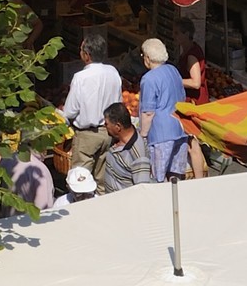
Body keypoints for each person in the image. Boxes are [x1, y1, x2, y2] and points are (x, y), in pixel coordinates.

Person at [61, 31, 123, 180]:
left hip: (87, 136)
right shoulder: (113, 72)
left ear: (87, 55)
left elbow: (70, 111)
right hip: (108, 133)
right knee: (103, 181)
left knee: (80, 181)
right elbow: (119, 102)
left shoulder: (81, 77)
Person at [138, 38, 188, 182]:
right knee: (176, 175)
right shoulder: (173, 70)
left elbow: (148, 112)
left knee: (158, 177)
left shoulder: (149, 79)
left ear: (148, 58)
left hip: (161, 134)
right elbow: (182, 96)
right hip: (179, 128)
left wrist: (143, 135)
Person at [170, 20, 211, 179]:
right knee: (191, 142)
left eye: (177, 33)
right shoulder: (189, 50)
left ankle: (199, 179)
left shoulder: (191, 55)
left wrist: (174, 80)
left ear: (187, 34)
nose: (174, 36)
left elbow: (195, 82)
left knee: (192, 143)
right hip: (191, 101)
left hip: (193, 103)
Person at [98, 101, 152, 192]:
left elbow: (142, 190)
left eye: (106, 124)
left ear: (118, 127)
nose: (104, 126)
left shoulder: (138, 157)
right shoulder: (116, 139)